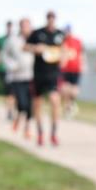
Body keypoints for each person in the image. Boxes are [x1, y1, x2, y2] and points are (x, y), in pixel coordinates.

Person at [24, 10, 66, 146]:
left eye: (53, 18)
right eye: (49, 18)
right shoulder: (37, 33)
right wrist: (36, 48)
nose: (51, 20)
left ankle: (53, 132)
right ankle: (40, 132)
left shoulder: (60, 34)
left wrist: (63, 57)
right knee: (37, 104)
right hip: (39, 74)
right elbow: (25, 46)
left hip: (53, 74)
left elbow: (65, 50)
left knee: (55, 101)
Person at [4, 18, 35, 138]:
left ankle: (27, 127)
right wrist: (12, 66)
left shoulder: (35, 39)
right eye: (24, 26)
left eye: (28, 26)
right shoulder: (12, 40)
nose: (26, 28)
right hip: (17, 76)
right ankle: (17, 118)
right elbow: (5, 55)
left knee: (30, 104)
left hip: (32, 76)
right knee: (22, 103)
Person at [60, 24, 84, 118]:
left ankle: (71, 104)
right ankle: (67, 108)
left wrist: (83, 65)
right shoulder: (62, 42)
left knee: (74, 91)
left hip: (76, 69)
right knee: (65, 90)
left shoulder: (77, 41)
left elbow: (81, 53)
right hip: (65, 69)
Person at [0, 21, 15, 120]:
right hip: (4, 69)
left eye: (11, 27)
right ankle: (9, 111)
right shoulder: (1, 40)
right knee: (9, 92)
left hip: (15, 70)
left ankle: (11, 110)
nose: (9, 29)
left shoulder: (16, 40)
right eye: (8, 27)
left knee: (14, 92)